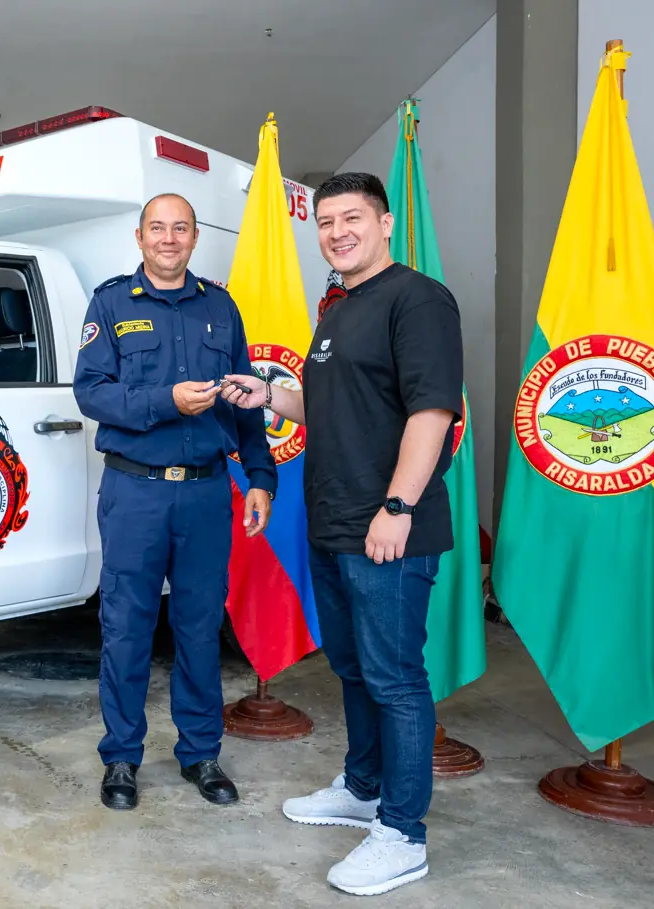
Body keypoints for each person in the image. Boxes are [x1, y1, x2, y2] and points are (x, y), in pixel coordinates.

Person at [220, 172, 463, 896]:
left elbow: (432, 412)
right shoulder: (338, 308)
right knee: (354, 670)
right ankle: (361, 788)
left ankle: (403, 832)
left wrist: (398, 504)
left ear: (385, 224)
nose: (337, 232)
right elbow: (331, 406)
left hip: (386, 527)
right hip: (332, 526)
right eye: (326, 222)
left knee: (396, 678)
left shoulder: (416, 299)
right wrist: (271, 395)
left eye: (352, 218)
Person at [73, 192, 277, 812]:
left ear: (194, 238)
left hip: (207, 493)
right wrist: (166, 401)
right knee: (127, 627)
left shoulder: (221, 306)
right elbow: (91, 392)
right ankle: (121, 759)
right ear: (139, 238)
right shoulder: (111, 303)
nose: (168, 238)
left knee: (197, 627)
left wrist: (261, 476)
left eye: (180, 228)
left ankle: (200, 753)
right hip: (135, 492)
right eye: (156, 228)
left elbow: (243, 397)